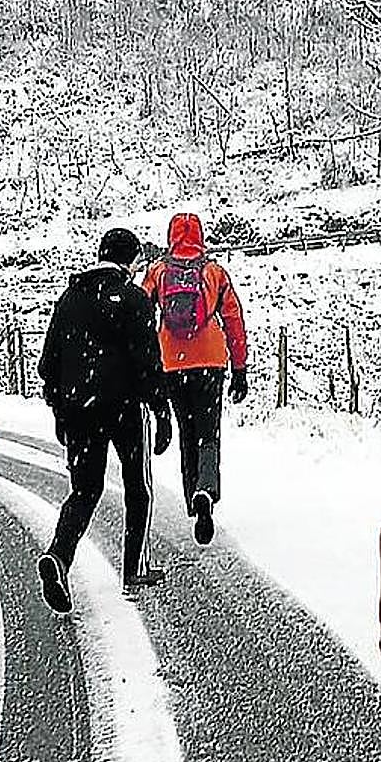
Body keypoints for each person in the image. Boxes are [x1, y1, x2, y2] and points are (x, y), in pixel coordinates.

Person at [37, 228, 173, 611]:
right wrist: (161, 410)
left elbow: (49, 364)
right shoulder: (134, 299)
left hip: (80, 410)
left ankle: (59, 557)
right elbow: (148, 361)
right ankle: (134, 569)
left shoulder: (69, 299)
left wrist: (61, 410)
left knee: (83, 490)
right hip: (125, 409)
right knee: (137, 487)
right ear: (131, 261)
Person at [141, 213, 248, 545]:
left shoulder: (158, 272)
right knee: (208, 431)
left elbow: (140, 314)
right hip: (211, 361)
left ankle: (193, 497)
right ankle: (207, 490)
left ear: (171, 236)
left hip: (171, 362)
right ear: (200, 236)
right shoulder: (214, 272)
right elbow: (233, 321)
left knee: (187, 430)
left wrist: (145, 366)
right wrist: (240, 369)